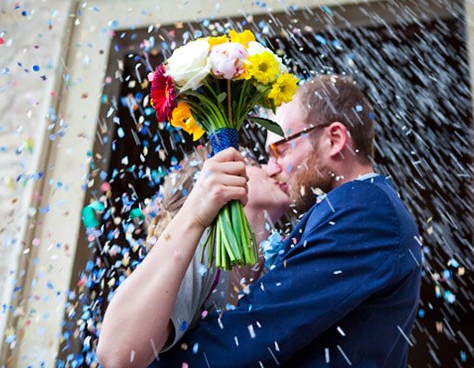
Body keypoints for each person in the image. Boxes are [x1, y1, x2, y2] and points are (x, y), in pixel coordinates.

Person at [146, 74, 422, 367]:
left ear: (334, 139)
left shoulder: (365, 210)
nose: (272, 167)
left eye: (280, 149)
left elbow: (258, 330)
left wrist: (148, 360)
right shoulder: (356, 208)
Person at [97, 146, 290, 368]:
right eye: (255, 164)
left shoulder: (275, 267)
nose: (272, 168)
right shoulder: (203, 252)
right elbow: (117, 354)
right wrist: (194, 216)